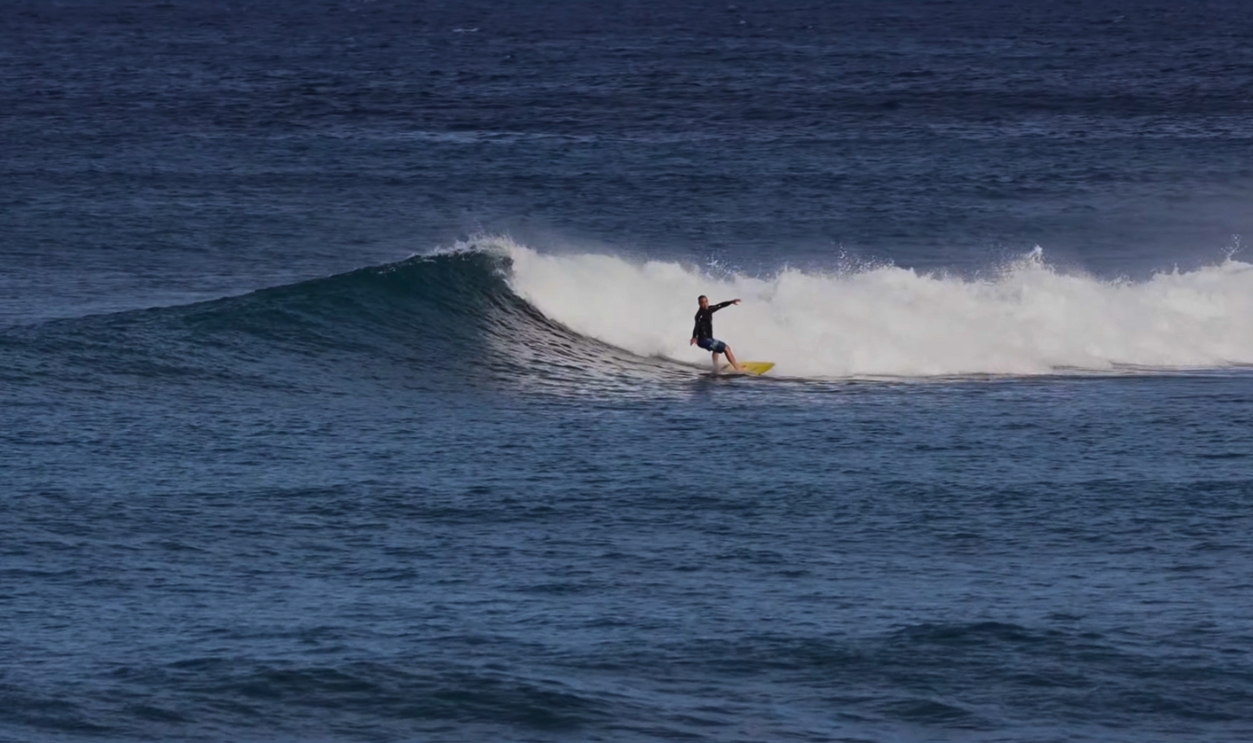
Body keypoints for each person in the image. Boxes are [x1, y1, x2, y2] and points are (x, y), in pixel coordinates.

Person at [690, 295, 742, 372]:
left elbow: (720, 305)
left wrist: (731, 302)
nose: (704, 304)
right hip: (703, 340)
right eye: (702, 302)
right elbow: (696, 327)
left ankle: (715, 367)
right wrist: (694, 337)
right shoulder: (699, 315)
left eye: (706, 301)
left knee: (716, 350)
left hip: (708, 339)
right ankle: (737, 368)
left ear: (708, 301)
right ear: (699, 304)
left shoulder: (710, 309)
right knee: (726, 348)